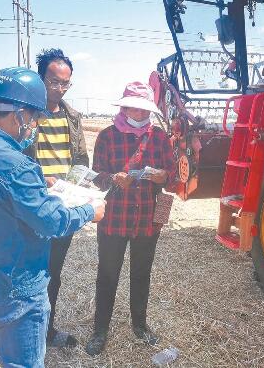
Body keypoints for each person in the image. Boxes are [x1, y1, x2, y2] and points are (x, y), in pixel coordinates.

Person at [0, 67, 105, 368]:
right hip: (16, 293)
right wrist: (89, 211)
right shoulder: (17, 165)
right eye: (36, 118)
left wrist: (40, 189)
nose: (36, 125)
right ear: (20, 115)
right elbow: (52, 222)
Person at [85, 82, 175, 356]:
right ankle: (100, 330)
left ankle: (140, 324)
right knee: (108, 275)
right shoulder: (107, 137)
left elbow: (173, 173)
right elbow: (96, 177)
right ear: (123, 107)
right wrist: (113, 178)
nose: (136, 111)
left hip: (148, 219)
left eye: (142, 106)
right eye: (131, 106)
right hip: (114, 218)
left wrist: (162, 176)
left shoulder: (159, 137)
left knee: (141, 274)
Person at [25, 48, 89, 348]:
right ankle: (21, 334)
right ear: (41, 79)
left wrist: (80, 186)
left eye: (66, 83)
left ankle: (46, 333)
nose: (60, 88)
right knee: (27, 274)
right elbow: (13, 160)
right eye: (54, 82)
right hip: (31, 204)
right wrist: (42, 178)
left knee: (53, 275)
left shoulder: (72, 117)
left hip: (61, 207)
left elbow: (80, 161)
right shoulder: (25, 115)